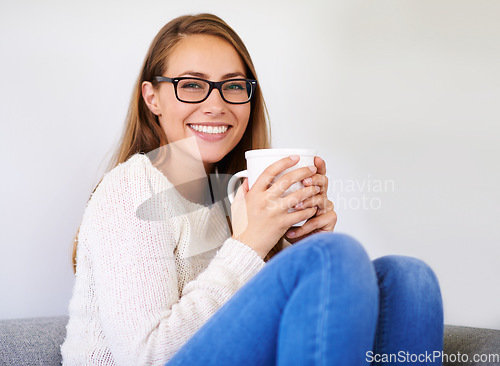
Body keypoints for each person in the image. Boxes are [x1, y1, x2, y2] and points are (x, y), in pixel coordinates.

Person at [61, 13, 443, 366]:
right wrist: (251, 244)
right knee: (333, 255)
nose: (216, 104)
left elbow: (257, 331)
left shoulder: (231, 197)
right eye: (191, 85)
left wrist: (293, 244)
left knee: (408, 278)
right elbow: (147, 356)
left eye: (233, 86)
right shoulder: (133, 186)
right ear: (152, 98)